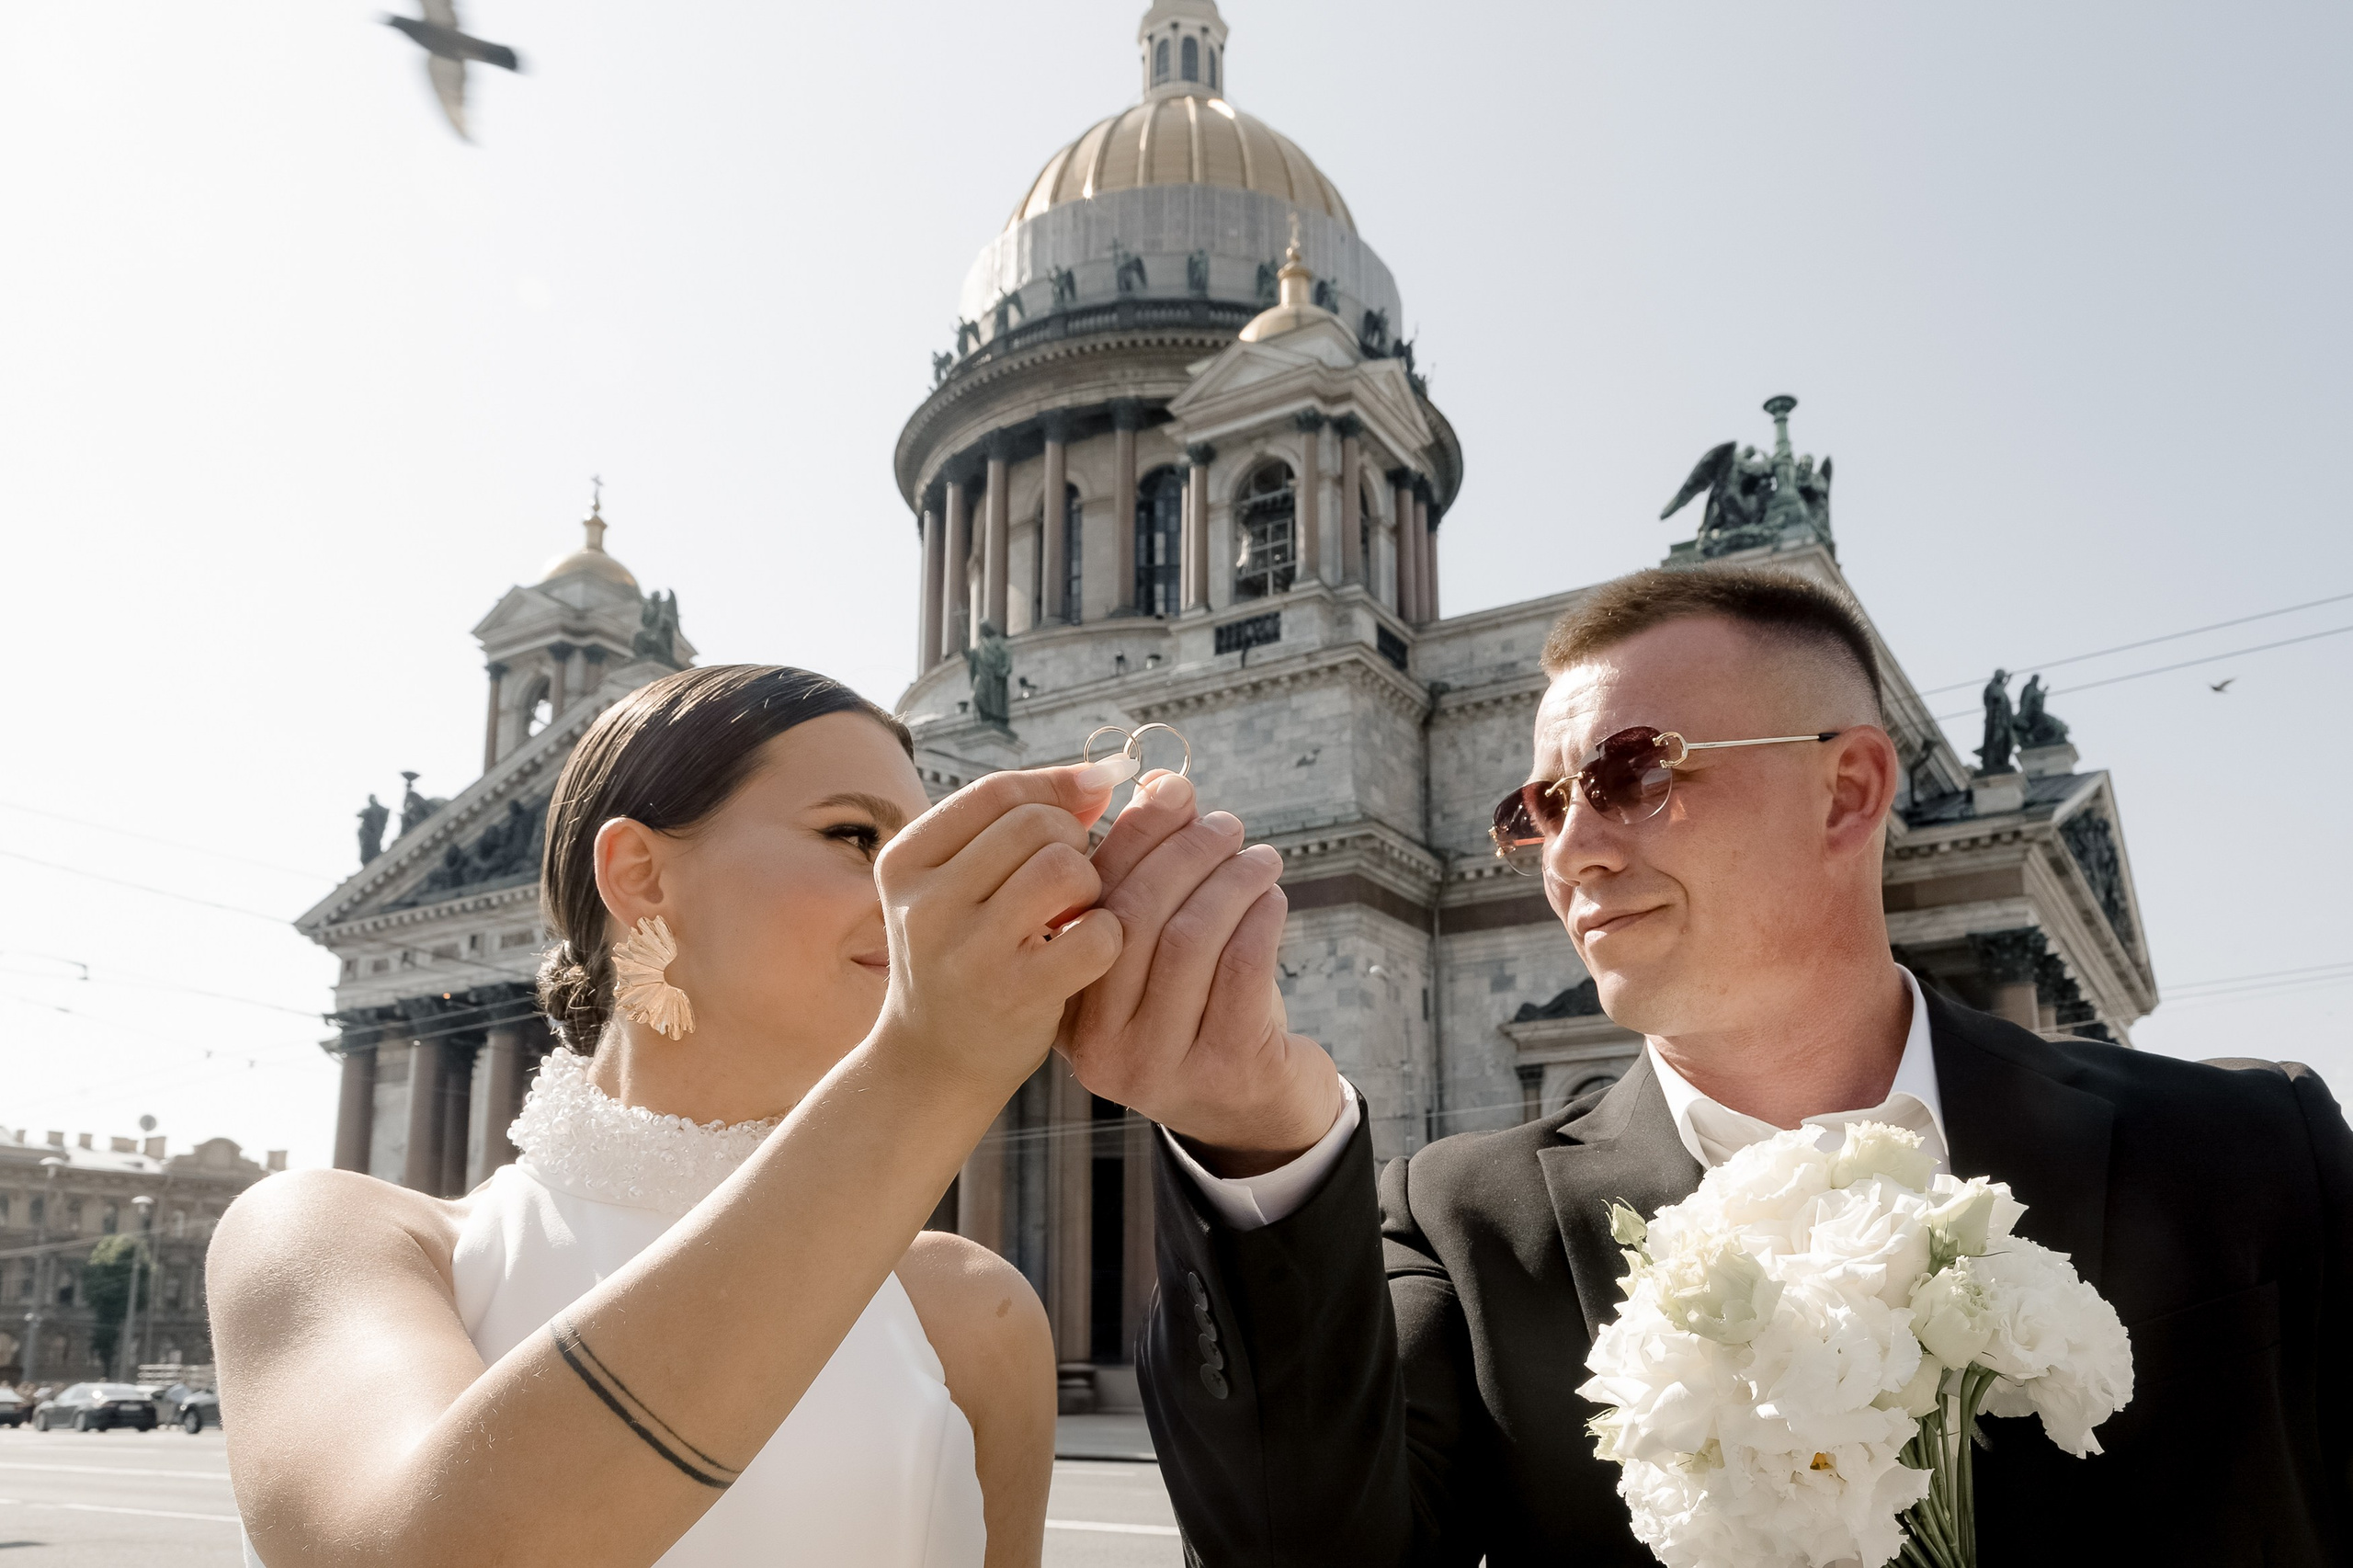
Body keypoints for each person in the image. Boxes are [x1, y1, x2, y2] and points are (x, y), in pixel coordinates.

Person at [1067, 567, 2353, 1566]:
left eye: (1632, 774)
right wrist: (1255, 1132)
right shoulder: (1463, 1231)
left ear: (1849, 792)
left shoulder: (2254, 1149)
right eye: (1538, 808)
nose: (1571, 852)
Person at [210, 664, 1161, 1568]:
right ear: (640, 875)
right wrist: (929, 1068)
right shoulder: (323, 1237)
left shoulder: (970, 1309)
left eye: (927, 847)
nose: (919, 893)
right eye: (854, 836)